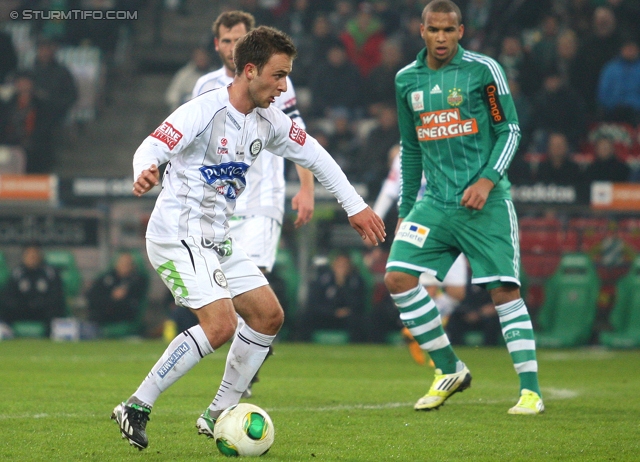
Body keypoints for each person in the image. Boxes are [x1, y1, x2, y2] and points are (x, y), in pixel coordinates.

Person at [111, 25, 385, 450]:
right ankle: (137, 405)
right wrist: (144, 170)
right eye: (278, 76)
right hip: (177, 234)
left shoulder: (270, 121)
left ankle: (219, 411)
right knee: (220, 326)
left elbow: (317, 155)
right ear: (250, 70)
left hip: (217, 237)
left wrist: (356, 206)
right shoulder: (203, 110)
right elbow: (151, 146)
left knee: (268, 315)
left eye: (287, 76)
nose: (284, 86)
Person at [384, 1, 543, 415]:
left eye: (448, 31)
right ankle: (448, 368)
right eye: (433, 30)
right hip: (435, 204)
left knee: (504, 291)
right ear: (421, 30)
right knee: (397, 277)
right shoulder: (407, 81)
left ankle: (530, 391)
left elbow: (509, 129)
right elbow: (412, 149)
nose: (441, 38)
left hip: (485, 201)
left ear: (461, 31)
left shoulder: (482, 71)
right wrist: (405, 208)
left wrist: (488, 178)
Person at [191, 10, 315, 398]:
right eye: (225, 41)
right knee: (225, 290)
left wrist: (306, 187)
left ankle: (241, 378)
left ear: (250, 44)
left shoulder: (276, 81)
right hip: (220, 204)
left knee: (252, 279)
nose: (231, 47)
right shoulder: (206, 86)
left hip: (263, 197)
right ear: (217, 44)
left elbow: (298, 134)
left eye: (238, 40)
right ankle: (248, 360)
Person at [298, 250, 368, 343]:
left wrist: (342, 285)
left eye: (345, 265)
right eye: (339, 265)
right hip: (327, 315)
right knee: (306, 317)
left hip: (346, 317)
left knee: (359, 321)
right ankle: (303, 344)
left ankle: (356, 346)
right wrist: (332, 312)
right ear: (333, 265)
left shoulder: (356, 281)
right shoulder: (323, 280)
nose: (342, 268)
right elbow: (314, 303)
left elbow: (358, 303)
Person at [0, 245, 66, 335]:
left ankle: (52, 334)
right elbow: (9, 294)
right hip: (23, 309)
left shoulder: (50, 272)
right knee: (4, 305)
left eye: (34, 255)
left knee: (55, 309)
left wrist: (40, 302)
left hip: (42, 309)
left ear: (40, 256)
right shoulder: (17, 272)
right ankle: (5, 331)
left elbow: (56, 294)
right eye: (29, 255)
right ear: (24, 257)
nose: (32, 258)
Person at [86, 252, 149, 334]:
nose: (124, 266)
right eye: (122, 263)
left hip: (124, 315)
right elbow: (92, 295)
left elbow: (135, 301)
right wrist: (111, 297)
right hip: (103, 313)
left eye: (127, 264)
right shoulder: (106, 278)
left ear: (133, 266)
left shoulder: (138, 280)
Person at [165, 47, 213, 112]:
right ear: (194, 57)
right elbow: (172, 94)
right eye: (199, 56)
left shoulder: (214, 74)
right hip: (186, 111)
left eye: (203, 57)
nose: (201, 59)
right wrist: (176, 107)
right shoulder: (184, 74)